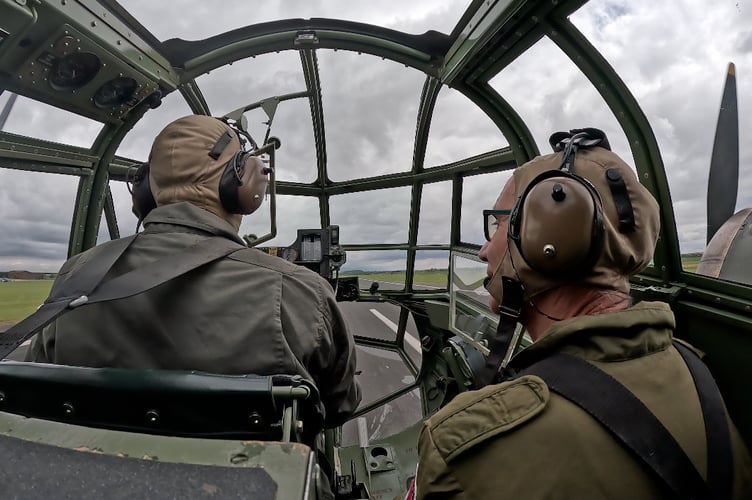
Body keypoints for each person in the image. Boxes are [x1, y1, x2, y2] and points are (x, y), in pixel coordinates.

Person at [415, 129, 752, 498]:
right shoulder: (695, 369)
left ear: (550, 236)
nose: (483, 251)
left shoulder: (460, 449)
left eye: (497, 225)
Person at [26, 114, 361, 427]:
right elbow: (340, 406)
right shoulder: (301, 291)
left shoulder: (76, 275)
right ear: (244, 182)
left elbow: (38, 381)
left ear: (146, 190)